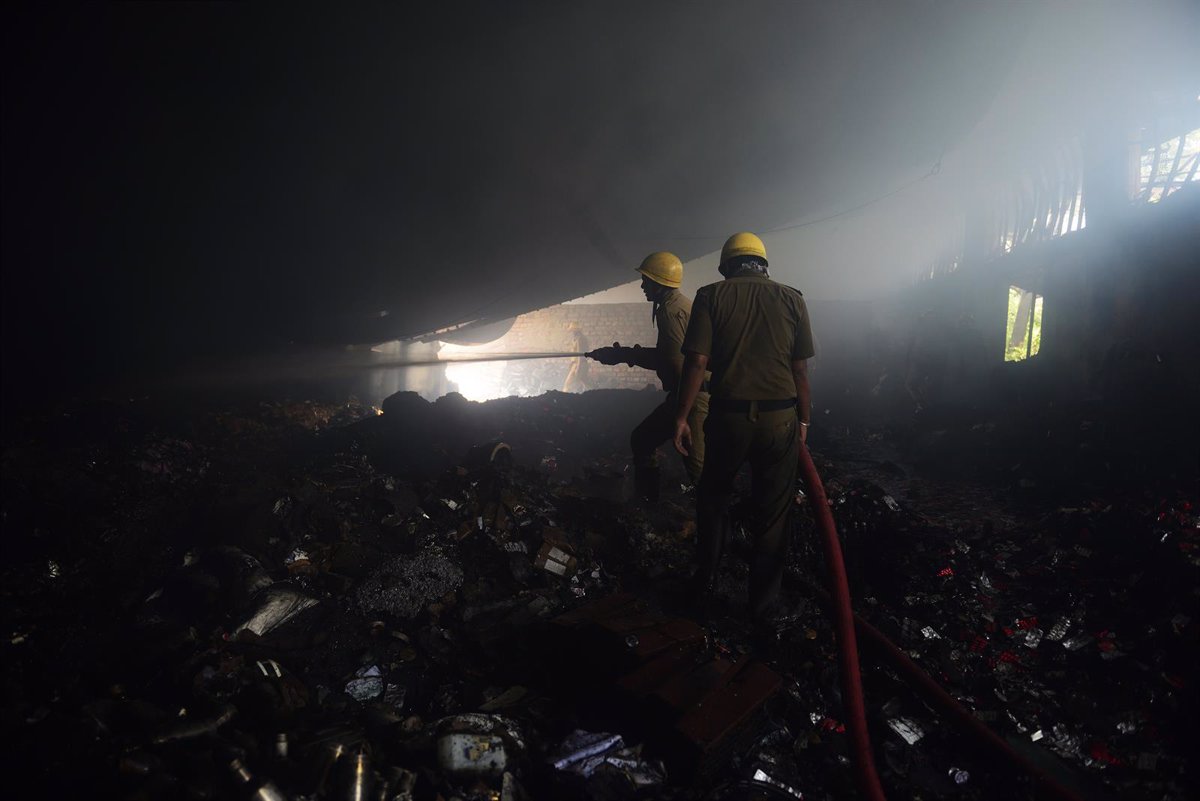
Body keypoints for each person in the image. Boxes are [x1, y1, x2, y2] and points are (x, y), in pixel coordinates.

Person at [672, 232, 814, 636]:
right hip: (780, 419)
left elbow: (697, 361)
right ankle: (763, 606)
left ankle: (704, 585)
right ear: (763, 264)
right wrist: (803, 422)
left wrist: (682, 417)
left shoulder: (710, 296)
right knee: (772, 514)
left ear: (728, 265)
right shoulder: (792, 298)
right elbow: (800, 370)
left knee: (714, 499)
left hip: (728, 418)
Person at [589, 252, 709, 501]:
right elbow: (669, 356)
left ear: (659, 282)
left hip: (691, 397)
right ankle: (648, 505)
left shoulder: (670, 313)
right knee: (643, 439)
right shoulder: (677, 304)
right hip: (687, 393)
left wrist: (682, 415)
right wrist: (623, 354)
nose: (643, 285)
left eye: (646, 280)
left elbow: (676, 365)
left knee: (698, 470)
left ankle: (719, 531)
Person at [562, 322, 591, 392]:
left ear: (577, 330)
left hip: (579, 364)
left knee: (568, 384)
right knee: (585, 383)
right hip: (578, 364)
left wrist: (577, 368)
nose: (572, 332)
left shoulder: (580, 339)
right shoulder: (577, 339)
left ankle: (562, 398)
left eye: (573, 330)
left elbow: (580, 355)